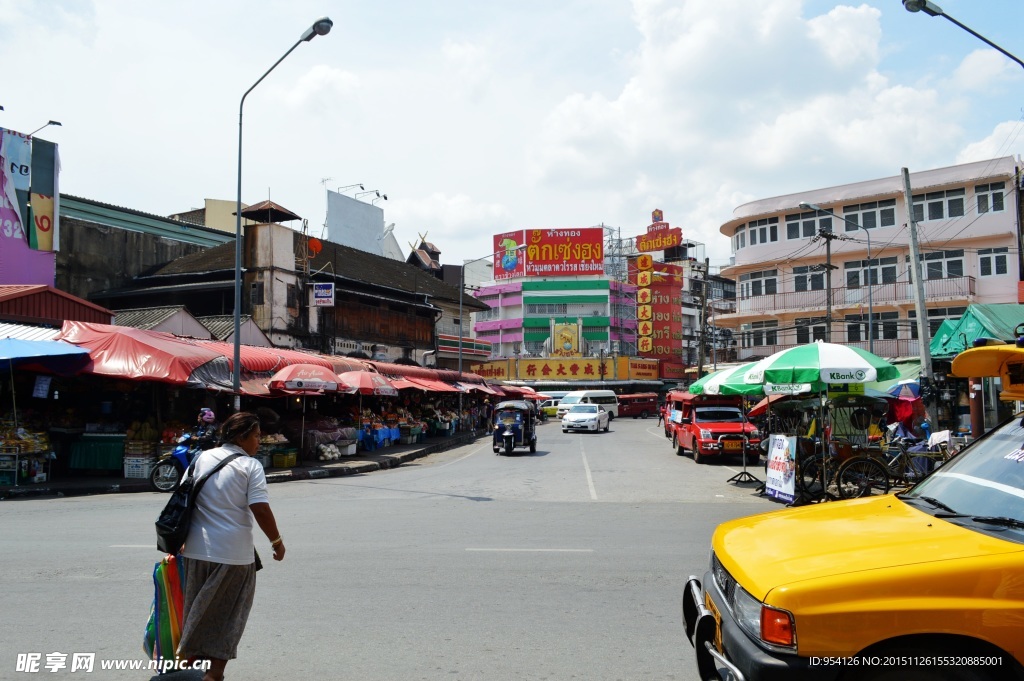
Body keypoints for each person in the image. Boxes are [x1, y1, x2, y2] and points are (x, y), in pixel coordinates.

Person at [178, 412, 285, 681]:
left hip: (195, 550)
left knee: (197, 610)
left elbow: (183, 497)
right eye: (257, 436)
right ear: (242, 436)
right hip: (234, 555)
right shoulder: (251, 466)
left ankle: (185, 664)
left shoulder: (201, 458)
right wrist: (277, 542)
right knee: (230, 614)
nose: (260, 442)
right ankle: (214, 674)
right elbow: (260, 508)